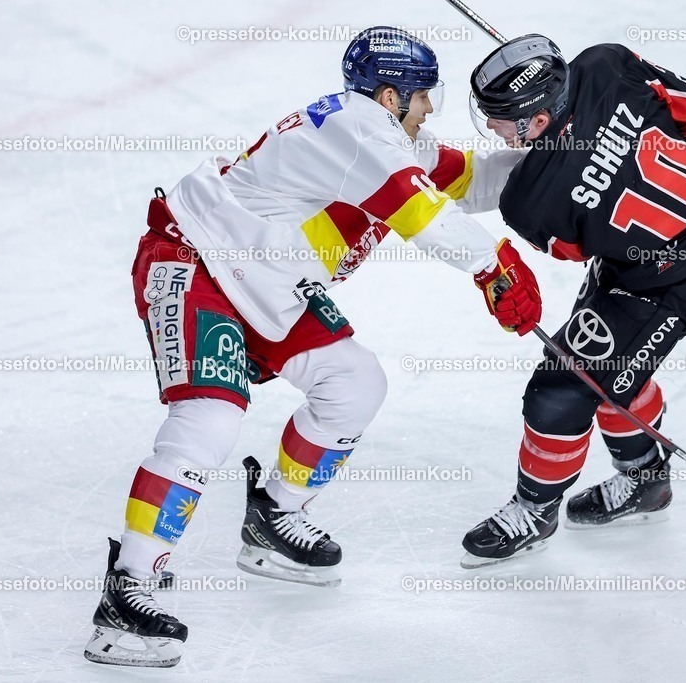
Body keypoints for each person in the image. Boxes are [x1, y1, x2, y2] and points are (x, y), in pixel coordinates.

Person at [84, 26, 542, 667]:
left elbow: (470, 180)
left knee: (354, 383)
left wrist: (554, 152)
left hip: (268, 279)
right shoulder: (359, 130)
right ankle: (128, 587)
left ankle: (275, 516)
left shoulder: (385, 135)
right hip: (198, 259)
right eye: (422, 96)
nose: (429, 108)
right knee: (210, 417)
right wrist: (493, 264)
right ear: (390, 96)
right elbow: (423, 214)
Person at [461, 35, 686, 567]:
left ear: (538, 120)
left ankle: (535, 511)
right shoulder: (605, 64)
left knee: (562, 390)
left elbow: (575, 249)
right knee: (613, 370)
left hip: (669, 284)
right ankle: (647, 480)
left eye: (501, 119)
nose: (492, 126)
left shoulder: (525, 202)